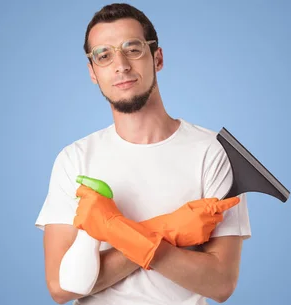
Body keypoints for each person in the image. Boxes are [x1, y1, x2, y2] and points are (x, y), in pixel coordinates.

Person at [34, 3, 251, 304]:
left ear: (157, 57)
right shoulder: (74, 160)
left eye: (132, 49)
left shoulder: (214, 152)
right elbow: (61, 286)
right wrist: (167, 229)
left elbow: (220, 283)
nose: (120, 65)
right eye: (104, 55)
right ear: (93, 72)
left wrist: (117, 232)